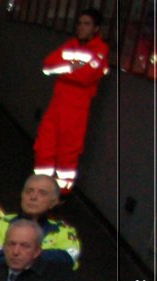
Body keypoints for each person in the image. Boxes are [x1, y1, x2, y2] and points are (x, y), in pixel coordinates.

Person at [34, 8, 110, 192]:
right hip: (57, 105)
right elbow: (47, 66)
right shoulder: (70, 45)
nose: (81, 27)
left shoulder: (100, 49)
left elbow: (86, 76)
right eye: (80, 23)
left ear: (96, 28)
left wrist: (64, 69)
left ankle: (61, 194)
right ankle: (40, 187)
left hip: (76, 110)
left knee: (68, 153)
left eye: (87, 24)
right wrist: (73, 67)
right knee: (44, 146)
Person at [0, 174, 81, 271]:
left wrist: (19, 258)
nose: (33, 197)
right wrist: (42, 259)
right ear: (22, 195)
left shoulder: (62, 231)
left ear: (53, 202)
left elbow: (69, 259)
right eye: (29, 191)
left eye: (42, 193)